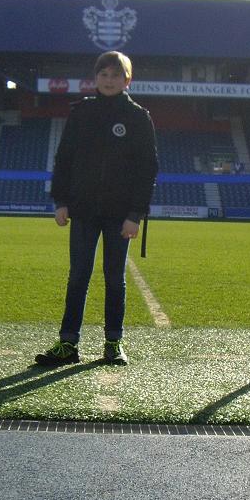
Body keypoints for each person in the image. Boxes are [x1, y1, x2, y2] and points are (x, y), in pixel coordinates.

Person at [35, 51, 158, 367]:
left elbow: (147, 170)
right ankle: (68, 344)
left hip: (120, 215)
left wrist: (135, 215)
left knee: (115, 278)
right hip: (84, 211)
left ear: (127, 80)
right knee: (78, 275)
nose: (109, 80)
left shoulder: (138, 117)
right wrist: (61, 201)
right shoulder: (81, 113)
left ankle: (113, 343)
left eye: (116, 75)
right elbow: (64, 159)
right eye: (104, 74)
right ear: (95, 78)